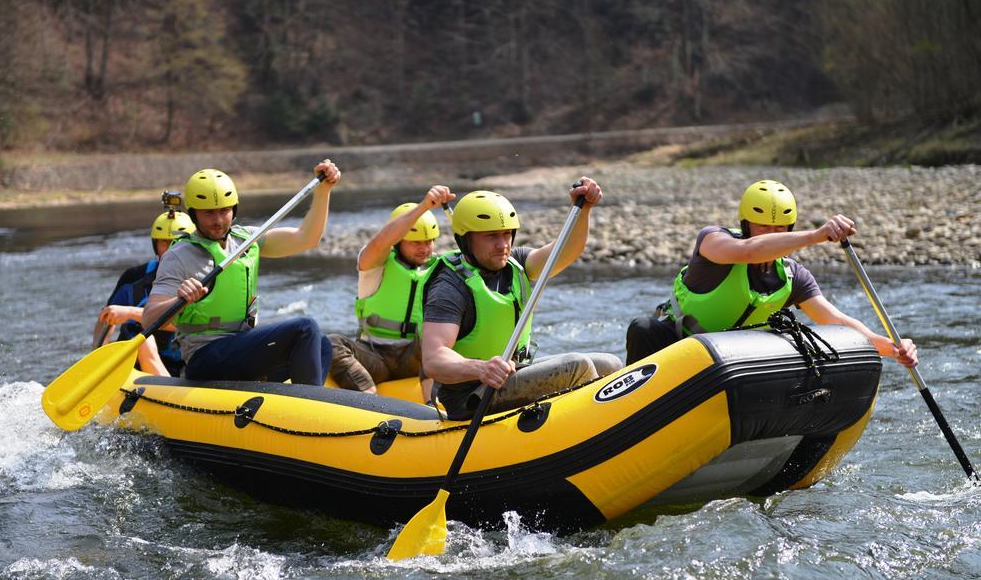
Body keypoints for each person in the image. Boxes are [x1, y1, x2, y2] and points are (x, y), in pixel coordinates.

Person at [625, 179, 918, 367]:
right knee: (642, 327)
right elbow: (748, 251)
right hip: (675, 347)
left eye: (780, 229)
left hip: (728, 364)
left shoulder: (793, 277)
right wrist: (815, 236)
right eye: (763, 226)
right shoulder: (714, 241)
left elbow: (837, 321)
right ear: (746, 224)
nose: (772, 234)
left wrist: (893, 348)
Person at [421, 180, 622, 420]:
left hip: (514, 373)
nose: (503, 245)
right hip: (472, 394)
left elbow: (564, 252)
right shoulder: (449, 286)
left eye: (507, 234)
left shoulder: (515, 264)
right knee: (576, 366)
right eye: (492, 236)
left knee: (610, 365)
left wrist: (583, 209)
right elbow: (434, 359)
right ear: (466, 240)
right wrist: (481, 368)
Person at [141, 161, 340, 384]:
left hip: (242, 348)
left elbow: (307, 238)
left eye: (224, 211)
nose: (217, 221)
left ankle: (291, 407)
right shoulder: (178, 256)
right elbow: (149, 318)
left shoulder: (247, 240)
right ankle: (310, 411)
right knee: (305, 329)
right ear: (194, 214)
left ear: (234, 209)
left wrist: (324, 190)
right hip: (206, 357)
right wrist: (181, 299)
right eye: (208, 213)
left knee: (321, 345)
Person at [328, 185, 454, 401]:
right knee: (330, 342)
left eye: (429, 241)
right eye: (416, 242)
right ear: (398, 241)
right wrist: (424, 207)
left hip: (414, 357)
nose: (425, 248)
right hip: (375, 355)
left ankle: (431, 407)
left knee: (433, 336)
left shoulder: (439, 269)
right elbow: (382, 242)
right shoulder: (374, 264)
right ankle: (370, 401)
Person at [92, 192, 194, 377]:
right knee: (140, 340)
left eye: (177, 243)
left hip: (180, 365)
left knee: (144, 340)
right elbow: (106, 318)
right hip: (134, 365)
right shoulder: (133, 278)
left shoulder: (200, 279)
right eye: (165, 242)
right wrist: (98, 355)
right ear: (155, 245)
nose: (171, 250)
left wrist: (131, 313)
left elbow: (187, 323)